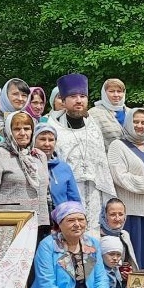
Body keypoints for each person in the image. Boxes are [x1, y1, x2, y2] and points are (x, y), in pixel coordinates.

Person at [51, 73, 116, 237]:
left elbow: (102, 165)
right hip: (68, 194)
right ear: (63, 101)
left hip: (95, 193)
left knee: (93, 238)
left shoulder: (94, 129)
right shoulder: (54, 130)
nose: (79, 100)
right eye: (73, 96)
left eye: (82, 96)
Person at [107, 108, 144, 272]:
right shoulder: (117, 146)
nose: (140, 125)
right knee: (134, 258)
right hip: (132, 211)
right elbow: (120, 176)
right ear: (128, 122)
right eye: (136, 121)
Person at [0, 112, 50, 235]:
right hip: (11, 222)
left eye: (27, 129)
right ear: (9, 131)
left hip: (40, 221)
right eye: (17, 129)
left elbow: (45, 190)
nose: (23, 133)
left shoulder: (39, 155)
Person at [32, 122, 81, 214]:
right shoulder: (29, 165)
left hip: (60, 221)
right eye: (42, 139)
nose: (47, 144)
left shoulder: (63, 167)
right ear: (33, 141)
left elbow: (74, 199)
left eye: (51, 140)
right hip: (35, 219)